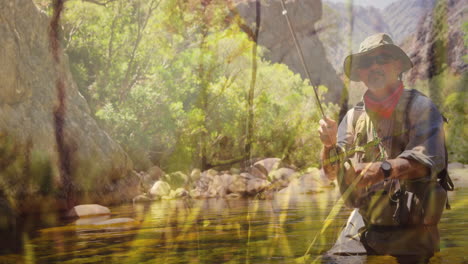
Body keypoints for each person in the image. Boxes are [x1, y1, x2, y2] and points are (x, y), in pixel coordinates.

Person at [318, 33, 448, 263]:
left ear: (398, 65)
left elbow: (424, 162)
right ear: (360, 73)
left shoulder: (421, 108)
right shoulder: (351, 117)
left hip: (414, 225)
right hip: (366, 222)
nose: (375, 66)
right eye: (367, 63)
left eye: (383, 58)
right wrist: (328, 147)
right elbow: (330, 173)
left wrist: (382, 169)